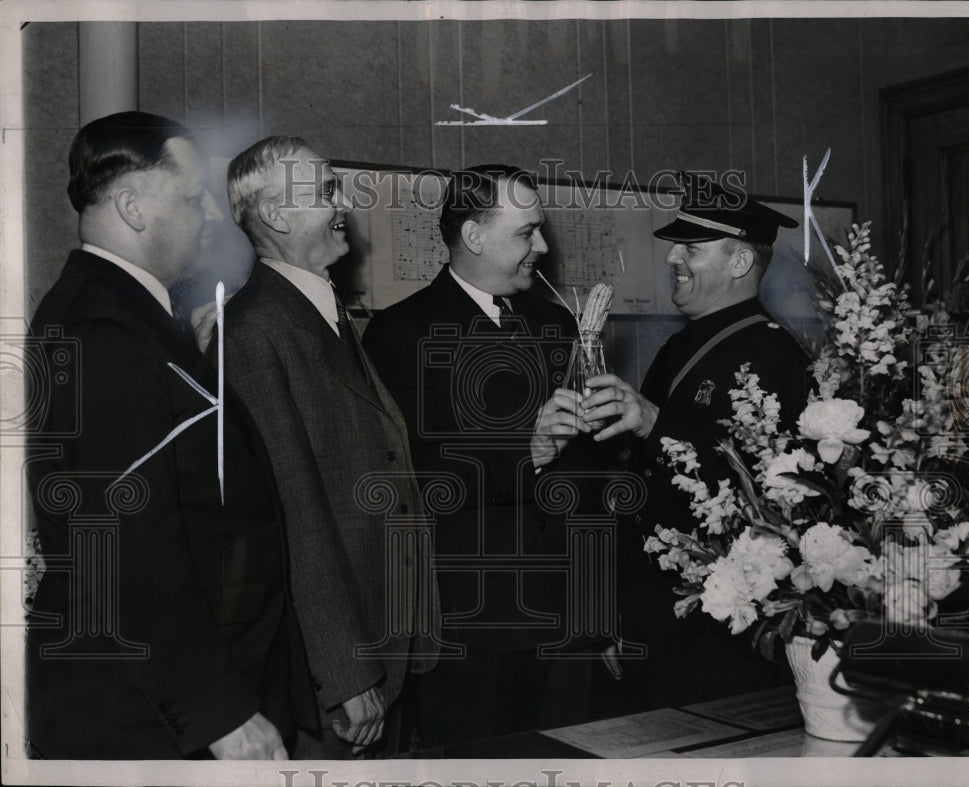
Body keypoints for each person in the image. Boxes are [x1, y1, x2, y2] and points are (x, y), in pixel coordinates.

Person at [26, 112, 318, 759]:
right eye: (191, 198)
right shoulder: (102, 327)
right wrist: (220, 715)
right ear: (133, 207)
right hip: (138, 713)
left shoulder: (131, 315)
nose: (211, 215)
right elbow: (128, 545)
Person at [362, 165, 606, 748]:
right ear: (473, 236)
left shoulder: (561, 326)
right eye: (526, 233)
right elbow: (411, 478)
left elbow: (596, 473)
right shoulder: (399, 333)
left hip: (569, 617)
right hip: (473, 622)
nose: (542, 247)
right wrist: (530, 449)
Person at [219, 136, 438, 758]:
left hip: (383, 644)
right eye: (326, 191)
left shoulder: (319, 313)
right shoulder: (257, 331)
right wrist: (345, 673)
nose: (346, 203)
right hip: (341, 677)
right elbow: (294, 510)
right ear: (278, 216)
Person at [582, 174, 811, 711]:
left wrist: (653, 422)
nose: (672, 259)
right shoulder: (683, 344)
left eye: (692, 247)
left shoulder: (774, 355)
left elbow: (764, 497)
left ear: (739, 263)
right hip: (655, 606)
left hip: (716, 624)